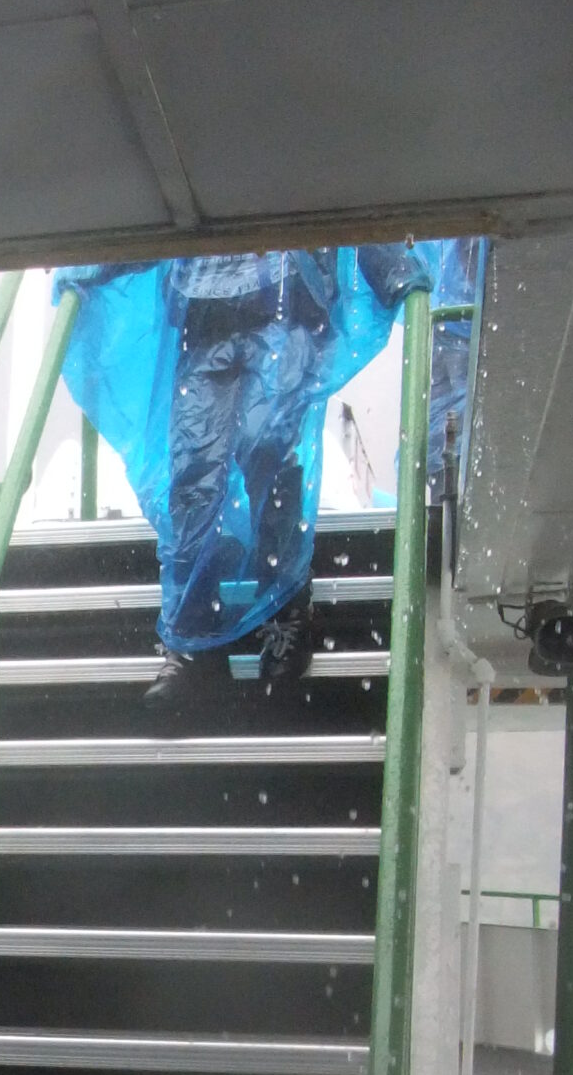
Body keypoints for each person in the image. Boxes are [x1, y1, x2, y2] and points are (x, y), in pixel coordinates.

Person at [54, 244, 441, 721]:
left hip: (288, 302)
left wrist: (390, 261)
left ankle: (286, 612)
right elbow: (165, 217)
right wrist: (92, 258)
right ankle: (195, 642)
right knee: (194, 475)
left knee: (268, 448)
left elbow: (340, 199)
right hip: (205, 313)